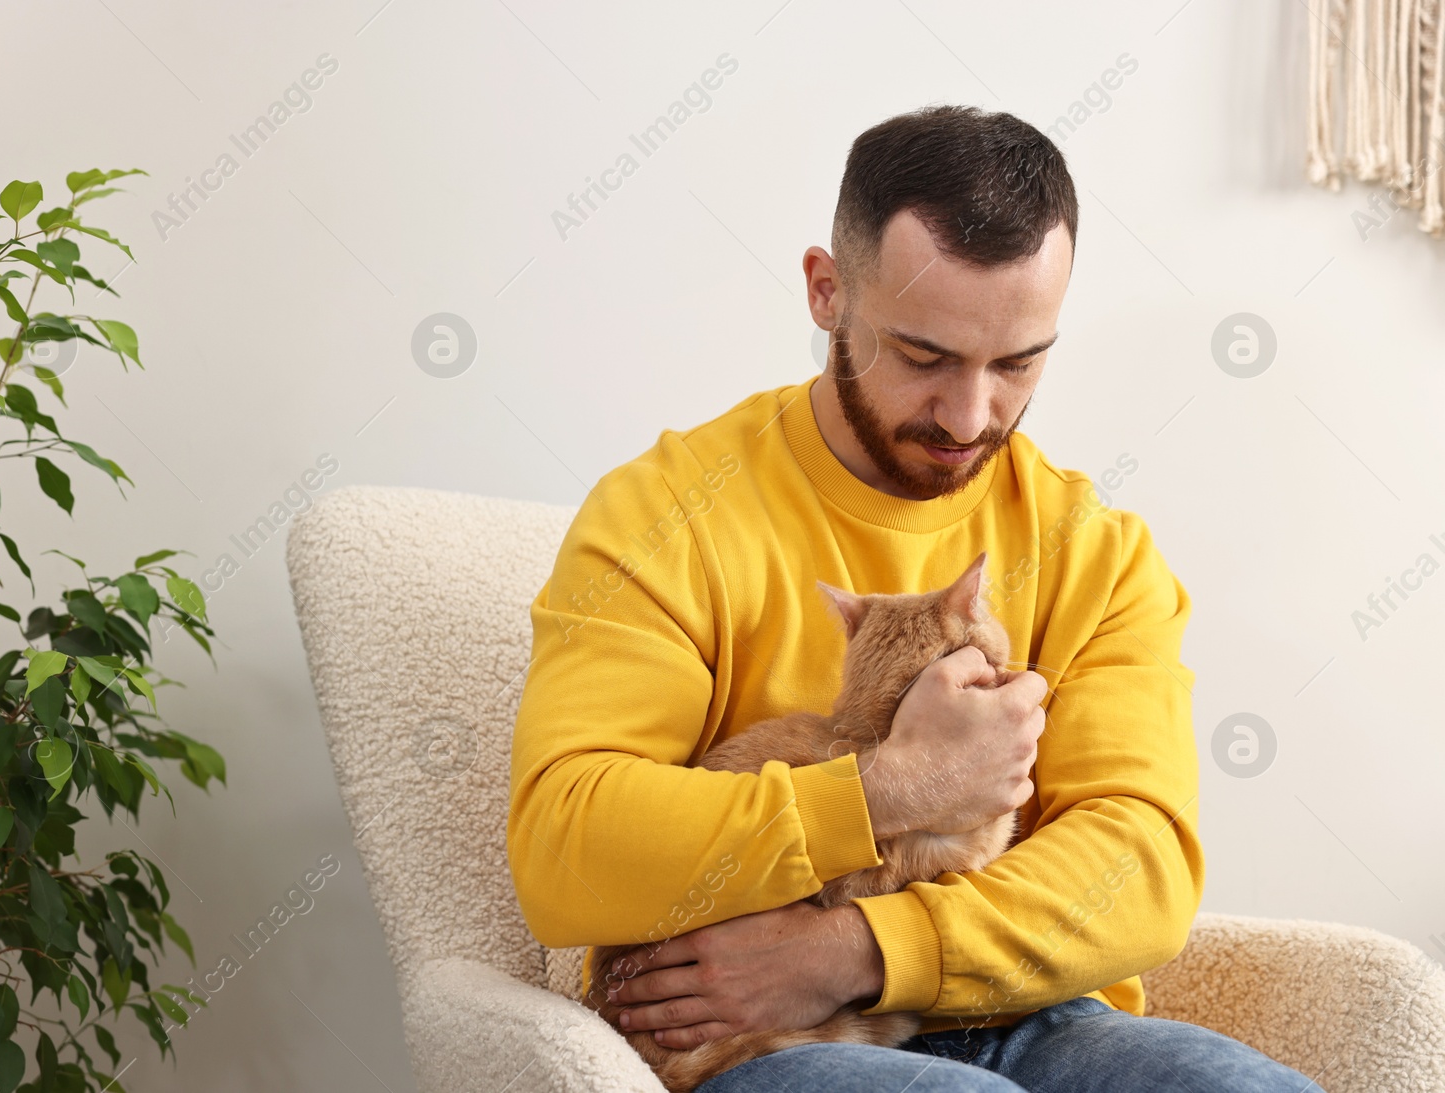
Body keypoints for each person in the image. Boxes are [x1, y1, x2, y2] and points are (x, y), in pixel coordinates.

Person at [506, 104, 1324, 1092]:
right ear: (825, 291)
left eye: (1017, 362)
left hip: (1023, 1011)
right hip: (754, 1031)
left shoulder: (1098, 553)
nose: (970, 415)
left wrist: (852, 949)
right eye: (925, 356)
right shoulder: (666, 513)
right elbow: (564, 851)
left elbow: (1139, 871)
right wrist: (890, 790)